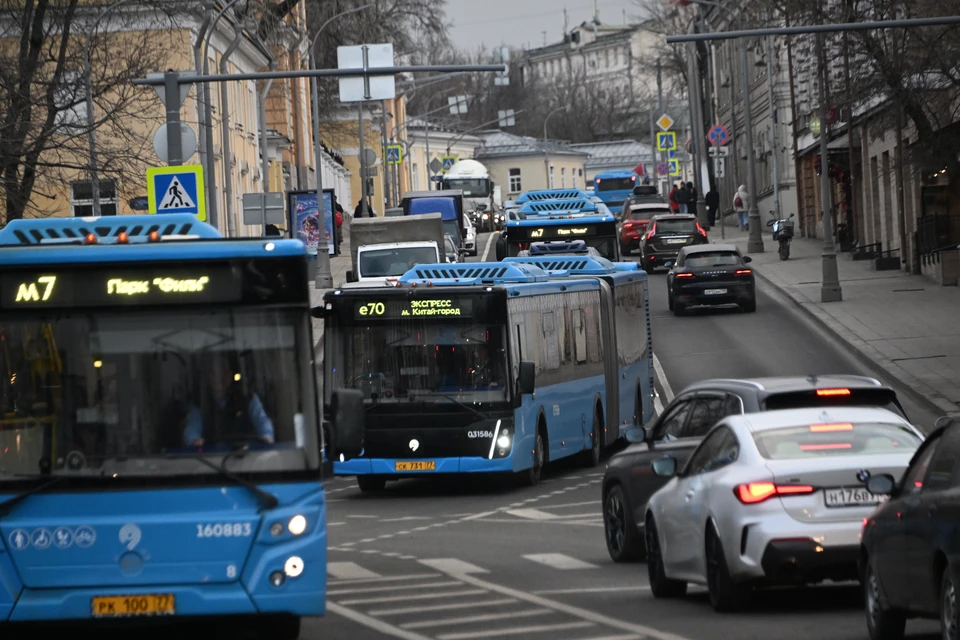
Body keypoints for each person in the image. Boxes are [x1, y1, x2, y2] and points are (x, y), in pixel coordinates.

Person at [182, 355, 275, 447]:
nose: (219, 378)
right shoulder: (199, 403)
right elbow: (191, 430)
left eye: (224, 372)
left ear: (231, 375)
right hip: (209, 458)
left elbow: (262, 421)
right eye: (214, 373)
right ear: (208, 376)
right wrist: (194, 440)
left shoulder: (248, 398)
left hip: (247, 457)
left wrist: (267, 436)